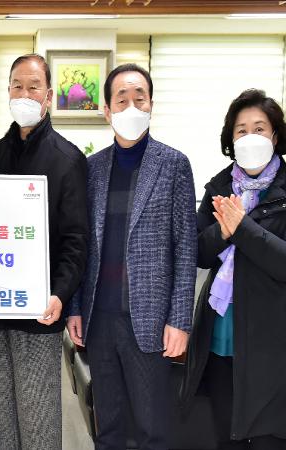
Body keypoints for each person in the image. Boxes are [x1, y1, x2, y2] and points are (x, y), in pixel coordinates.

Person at [67, 63, 197, 450]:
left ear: (151, 104)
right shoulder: (92, 168)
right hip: (99, 319)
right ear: (107, 110)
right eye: (121, 99)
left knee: (152, 431)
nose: (131, 106)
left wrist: (179, 320)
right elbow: (81, 246)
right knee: (108, 429)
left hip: (151, 321)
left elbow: (185, 248)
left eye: (140, 98)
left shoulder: (173, 165)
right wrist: (75, 307)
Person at [0, 54, 89, 450]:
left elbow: (76, 240)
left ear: (48, 96)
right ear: (8, 91)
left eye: (33, 87)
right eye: (17, 86)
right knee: (2, 427)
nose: (24, 94)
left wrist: (59, 294)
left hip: (40, 314)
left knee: (38, 426)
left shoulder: (67, 159)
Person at [180, 89, 286, 449]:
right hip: (221, 335)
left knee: (270, 438)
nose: (250, 137)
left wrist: (242, 228)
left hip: (273, 343)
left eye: (259, 128)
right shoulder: (219, 187)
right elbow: (196, 252)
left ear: (275, 136)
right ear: (231, 139)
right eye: (242, 130)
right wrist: (222, 232)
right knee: (227, 436)